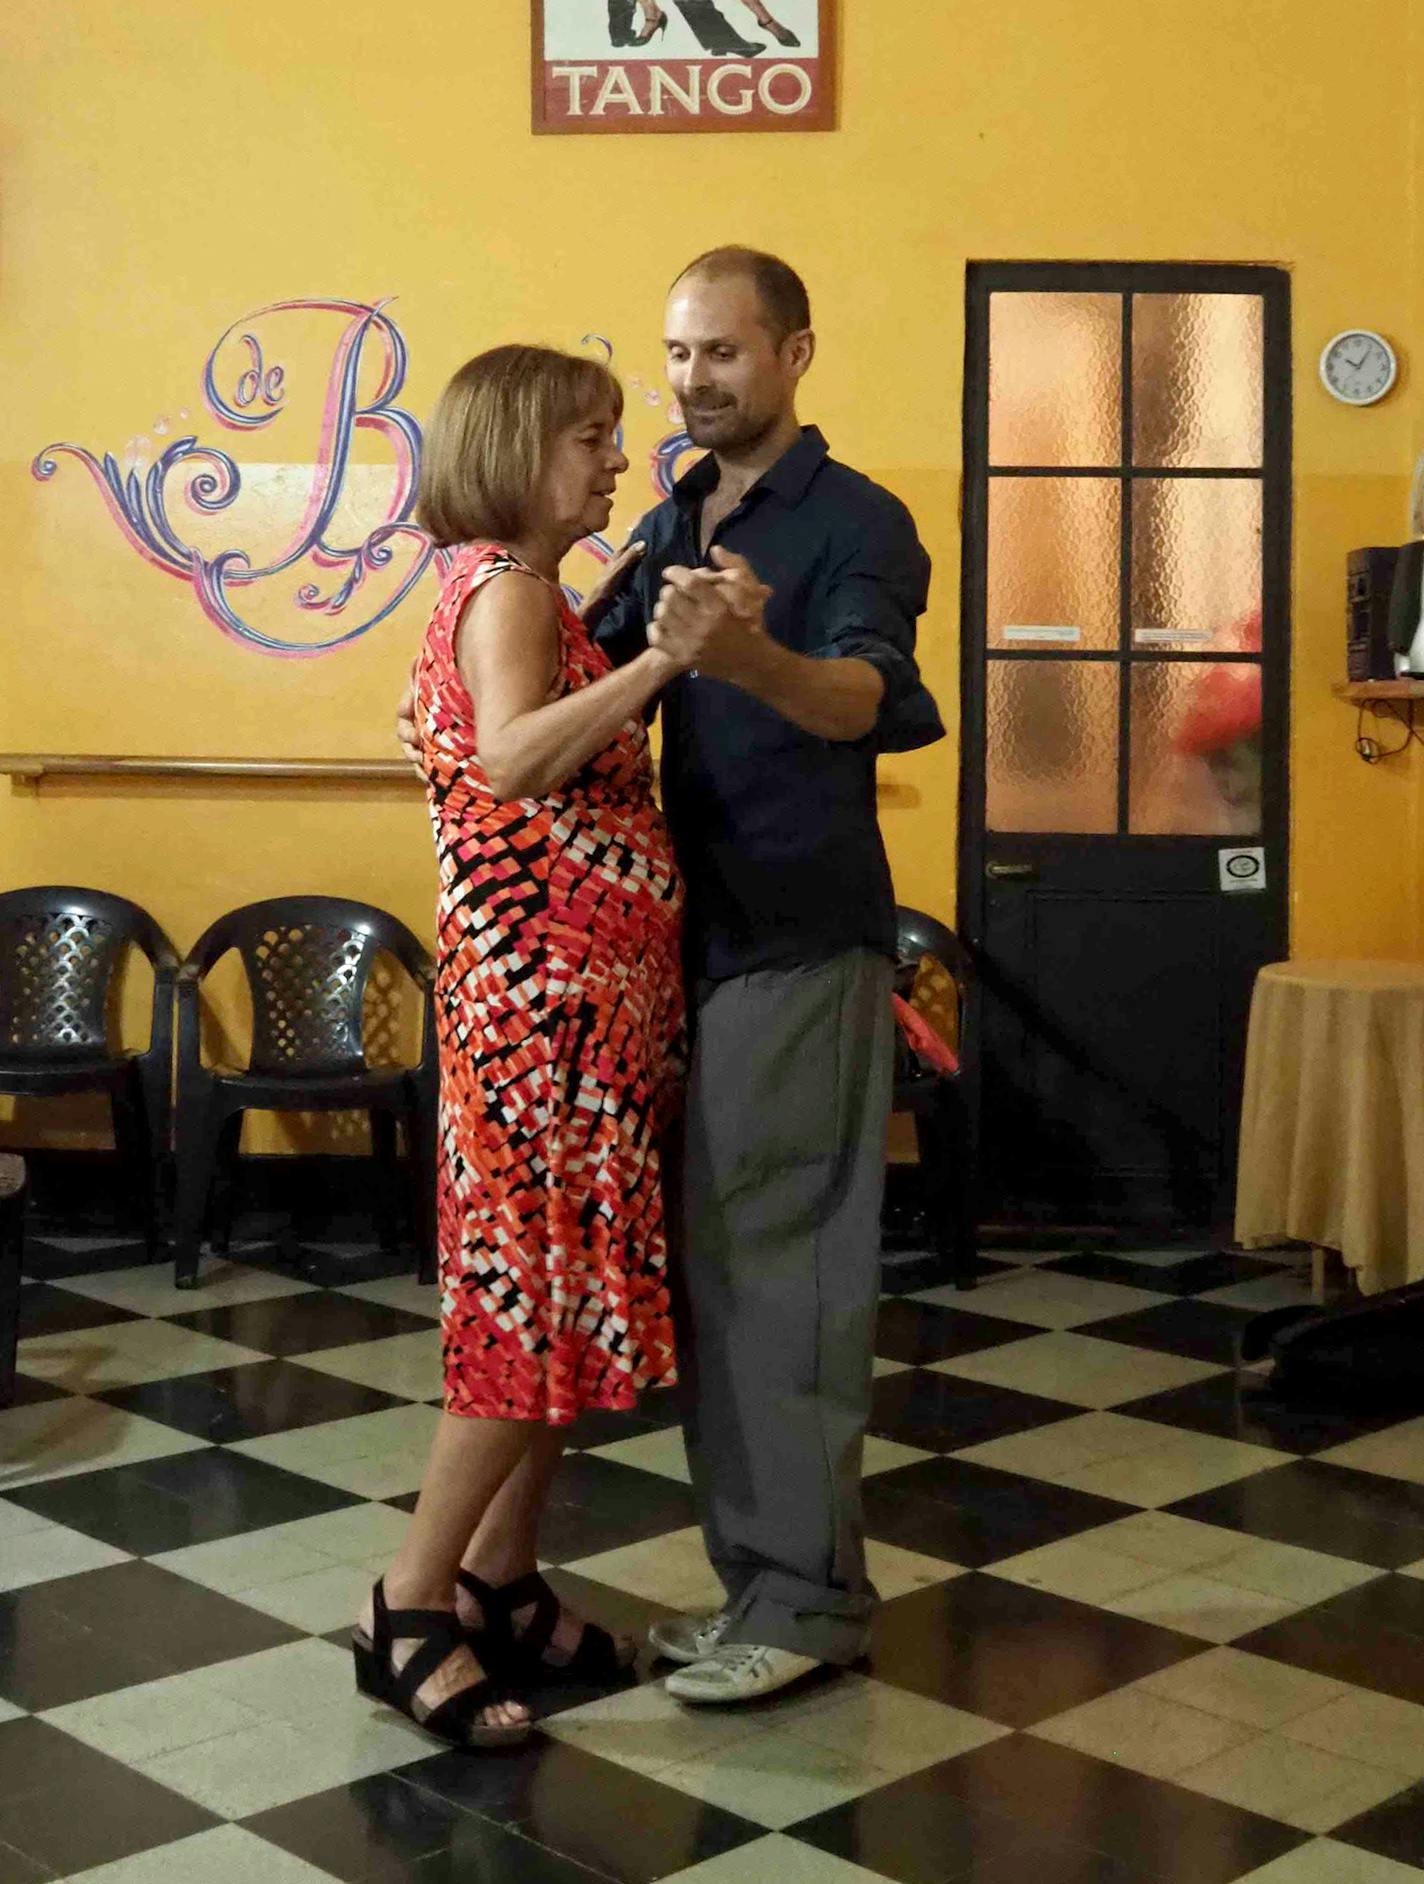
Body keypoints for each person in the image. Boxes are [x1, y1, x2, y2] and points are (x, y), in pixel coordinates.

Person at [398, 249, 944, 1707]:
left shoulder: (857, 520)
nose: (694, 382)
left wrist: (744, 652)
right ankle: (730, 1584)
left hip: (787, 941)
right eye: (677, 355)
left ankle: (804, 1605)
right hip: (651, 975)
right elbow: (538, 729)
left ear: (797, 353)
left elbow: (867, 701)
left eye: (726, 352)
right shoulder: (661, 522)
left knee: (784, 1280)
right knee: (701, 1279)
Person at [357, 344, 687, 1749]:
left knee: (557, 1314)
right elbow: (509, 757)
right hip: (538, 1026)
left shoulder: (528, 590)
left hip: (581, 1026)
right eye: (590, 437)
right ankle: (410, 1604)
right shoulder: (507, 589)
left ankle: (501, 1579)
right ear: (514, 449)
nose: (615, 458)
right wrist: (672, 658)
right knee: (518, 1318)